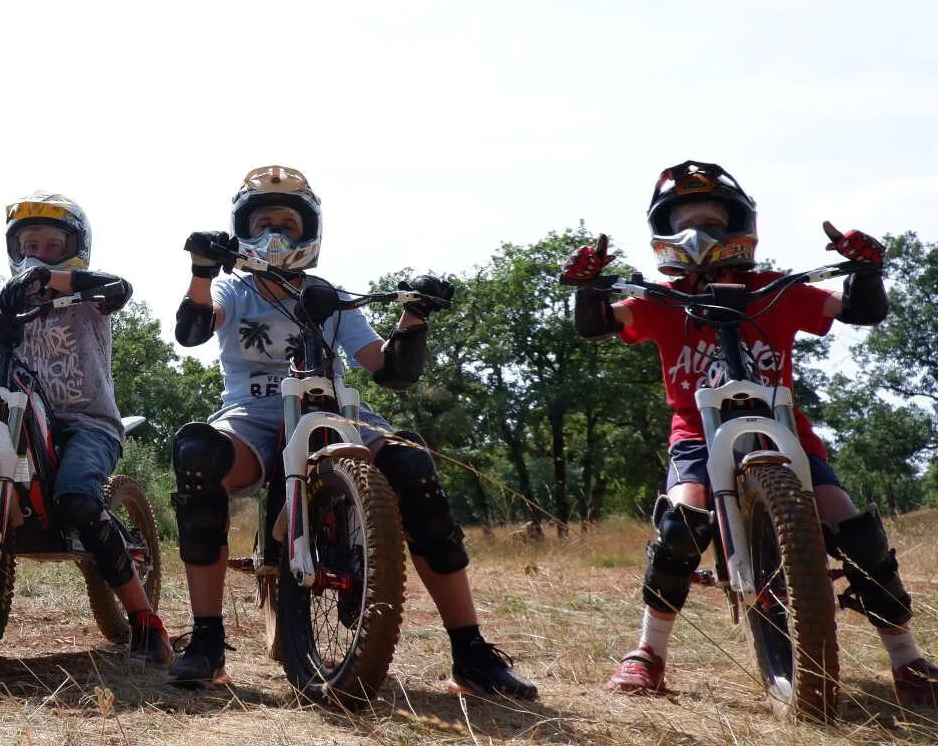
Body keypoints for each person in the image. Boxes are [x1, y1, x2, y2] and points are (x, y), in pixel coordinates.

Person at [564, 160, 936, 705]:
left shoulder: (775, 291)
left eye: (712, 222)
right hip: (697, 435)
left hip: (788, 434)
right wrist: (588, 286)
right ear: (663, 235)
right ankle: (648, 652)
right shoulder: (661, 300)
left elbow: (858, 311)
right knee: (681, 523)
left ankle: (907, 658)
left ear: (740, 227)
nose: (699, 236)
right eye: (685, 224)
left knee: (854, 527)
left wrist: (866, 269)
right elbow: (596, 324)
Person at [167, 165, 535, 697]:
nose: (275, 234)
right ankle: (206, 640)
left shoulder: (330, 295)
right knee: (197, 453)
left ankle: (471, 653)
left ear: (310, 231)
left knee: (413, 466)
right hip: (255, 416)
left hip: (333, 409)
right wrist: (201, 270)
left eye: (288, 223)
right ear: (242, 231)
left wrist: (414, 317)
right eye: (263, 222)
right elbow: (194, 329)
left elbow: (388, 370)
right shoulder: (233, 289)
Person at [0, 192, 174, 665]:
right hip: (21, 421)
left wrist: (49, 276)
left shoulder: (89, 295)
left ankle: (146, 623)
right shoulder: (10, 298)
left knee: (77, 499)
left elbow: (120, 286)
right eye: (29, 244)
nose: (39, 253)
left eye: (52, 245)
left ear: (75, 247)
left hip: (87, 424)